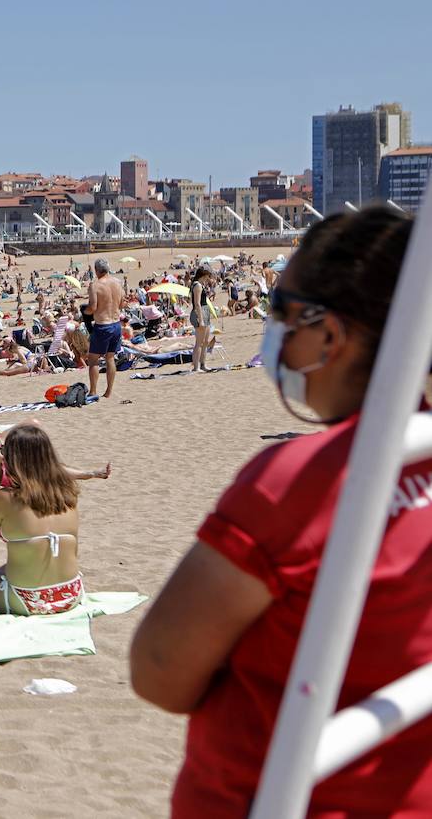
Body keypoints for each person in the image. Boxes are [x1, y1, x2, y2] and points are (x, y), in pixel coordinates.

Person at [129, 208, 432, 816]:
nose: (272, 328)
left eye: (280, 309)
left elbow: (160, 670)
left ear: (329, 334)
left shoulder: (300, 485)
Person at [0, 422, 109, 615]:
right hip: (71, 595)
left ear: (14, 459)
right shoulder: (68, 494)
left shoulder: (5, 498)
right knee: (11, 564)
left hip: (27, 601)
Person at [84, 257, 125, 398]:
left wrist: (84, 312)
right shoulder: (118, 283)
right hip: (116, 324)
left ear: (96, 270)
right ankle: (108, 391)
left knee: (94, 359)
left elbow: (93, 307)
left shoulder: (95, 285)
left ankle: (93, 391)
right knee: (110, 358)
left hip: (103, 325)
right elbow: (121, 304)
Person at [189, 265, 215, 372]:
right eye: (208, 275)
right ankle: (196, 367)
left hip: (204, 312)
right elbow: (197, 304)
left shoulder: (201, 285)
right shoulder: (197, 286)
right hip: (199, 313)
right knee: (199, 343)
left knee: (205, 342)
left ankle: (203, 364)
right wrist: (201, 319)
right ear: (204, 275)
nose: (208, 278)